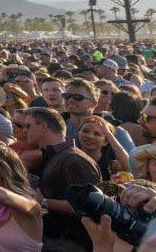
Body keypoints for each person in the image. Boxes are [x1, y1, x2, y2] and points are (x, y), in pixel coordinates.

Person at [24, 106, 101, 251]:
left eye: (28, 126)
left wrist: (42, 201)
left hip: (71, 243)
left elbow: (86, 206)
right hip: (54, 237)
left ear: (43, 127)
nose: (24, 130)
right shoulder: (53, 155)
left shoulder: (73, 160)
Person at [65, 78, 136, 153]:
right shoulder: (57, 126)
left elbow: (132, 162)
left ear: (93, 103)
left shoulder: (115, 131)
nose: (70, 100)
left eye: (77, 97)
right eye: (67, 96)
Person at [77, 115, 130, 182]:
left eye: (97, 134)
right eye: (85, 131)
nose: (90, 136)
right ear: (78, 133)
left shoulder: (111, 166)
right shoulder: (69, 158)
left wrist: (109, 134)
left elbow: (129, 167)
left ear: (105, 142)